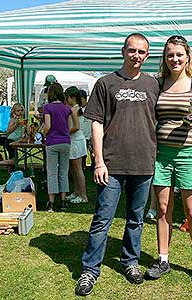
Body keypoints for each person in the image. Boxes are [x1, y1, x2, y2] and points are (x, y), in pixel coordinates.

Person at [75, 33, 159, 296]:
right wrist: (98, 161)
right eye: (132, 50)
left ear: (147, 55)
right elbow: (96, 124)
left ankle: (130, 262)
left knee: (136, 219)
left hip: (144, 163)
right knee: (102, 219)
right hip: (111, 164)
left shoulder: (154, 85)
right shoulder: (105, 83)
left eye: (142, 52)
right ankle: (89, 270)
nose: (137, 56)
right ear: (123, 51)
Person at [145, 35, 192, 285]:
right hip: (161, 154)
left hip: (190, 153)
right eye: (169, 55)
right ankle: (162, 258)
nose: (174, 59)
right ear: (164, 59)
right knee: (163, 209)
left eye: (179, 54)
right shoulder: (158, 83)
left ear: (188, 56)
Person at [43, 82, 77, 212]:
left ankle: (51, 203)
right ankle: (63, 202)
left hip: (52, 142)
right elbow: (70, 127)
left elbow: (47, 126)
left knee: (52, 173)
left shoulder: (48, 108)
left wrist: (43, 133)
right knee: (63, 172)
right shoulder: (67, 109)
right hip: (65, 142)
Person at [64, 86, 89, 204]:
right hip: (74, 141)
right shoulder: (75, 108)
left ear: (71, 97)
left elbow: (76, 127)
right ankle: (76, 192)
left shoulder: (75, 109)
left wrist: (64, 132)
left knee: (78, 169)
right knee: (73, 169)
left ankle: (83, 195)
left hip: (76, 141)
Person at [0, 103, 27, 168]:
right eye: (18, 111)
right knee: (14, 160)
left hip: (17, 141)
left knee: (13, 159)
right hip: (10, 141)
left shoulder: (23, 120)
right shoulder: (13, 119)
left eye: (21, 110)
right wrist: (16, 124)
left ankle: (11, 172)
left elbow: (23, 131)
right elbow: (8, 130)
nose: (20, 112)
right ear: (14, 111)